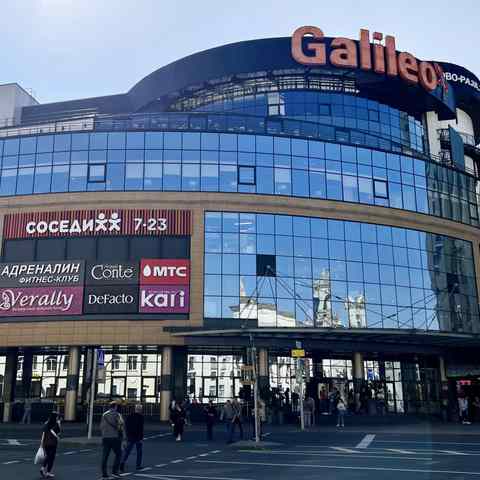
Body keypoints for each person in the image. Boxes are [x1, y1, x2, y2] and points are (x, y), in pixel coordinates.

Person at [101, 401, 124, 479]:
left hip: (105, 437)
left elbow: (101, 426)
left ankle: (104, 474)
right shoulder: (117, 414)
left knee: (105, 456)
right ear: (115, 407)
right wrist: (122, 436)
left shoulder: (104, 415)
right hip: (115, 437)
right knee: (118, 454)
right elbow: (121, 425)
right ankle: (114, 472)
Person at [120, 404, 144, 472]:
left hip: (130, 436)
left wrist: (127, 435)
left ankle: (122, 462)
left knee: (127, 451)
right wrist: (141, 437)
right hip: (138, 437)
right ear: (140, 409)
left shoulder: (130, 416)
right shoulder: (141, 417)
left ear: (135, 409)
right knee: (139, 452)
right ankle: (138, 465)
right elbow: (140, 428)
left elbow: (126, 425)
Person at [39, 411, 61, 478]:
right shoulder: (56, 423)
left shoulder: (46, 423)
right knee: (51, 457)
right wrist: (57, 437)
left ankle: (43, 468)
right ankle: (48, 472)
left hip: (46, 442)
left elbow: (43, 433)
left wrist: (41, 443)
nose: (57, 418)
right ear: (55, 417)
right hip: (53, 442)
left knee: (48, 455)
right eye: (57, 416)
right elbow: (59, 432)